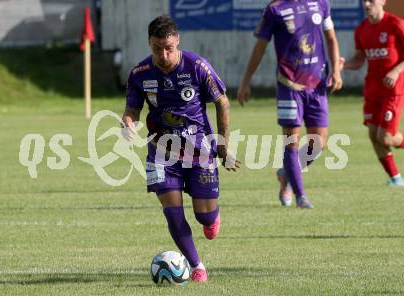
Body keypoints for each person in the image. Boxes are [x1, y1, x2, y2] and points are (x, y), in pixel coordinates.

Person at [122, 15, 240, 283]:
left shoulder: (197, 67)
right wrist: (128, 123)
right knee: (172, 212)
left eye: (169, 48)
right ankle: (197, 266)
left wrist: (223, 145)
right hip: (161, 152)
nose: (163, 55)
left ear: (177, 42)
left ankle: (211, 218)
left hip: (199, 151)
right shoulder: (140, 74)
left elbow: (222, 102)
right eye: (156, 49)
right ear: (149, 44)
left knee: (204, 217)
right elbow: (132, 109)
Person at [237, 0, 343, 208]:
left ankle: (286, 173)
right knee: (291, 142)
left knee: (319, 143)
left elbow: (331, 39)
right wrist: (246, 81)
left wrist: (337, 72)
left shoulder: (320, 3)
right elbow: (260, 48)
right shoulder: (275, 9)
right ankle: (300, 196)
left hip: (317, 85)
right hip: (289, 85)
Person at [342, 0, 404, 186]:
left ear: (383, 1)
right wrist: (343, 64)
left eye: (371, 0)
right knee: (373, 136)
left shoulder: (395, 24)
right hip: (372, 90)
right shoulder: (361, 29)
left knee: (385, 137)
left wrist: (395, 71)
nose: (367, 4)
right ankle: (395, 179)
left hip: (393, 90)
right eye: (364, 1)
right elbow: (359, 60)